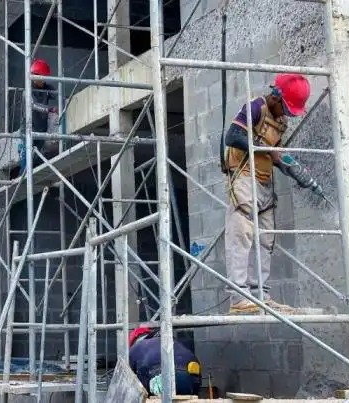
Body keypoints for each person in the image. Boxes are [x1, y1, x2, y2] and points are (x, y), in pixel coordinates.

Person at [222, 73, 311, 314]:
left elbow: (275, 155)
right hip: (243, 177)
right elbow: (232, 136)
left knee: (265, 239)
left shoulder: (280, 122)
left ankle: (261, 295)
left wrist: (294, 170)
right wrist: (267, 147)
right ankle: (239, 297)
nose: (286, 115)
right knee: (241, 235)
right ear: (276, 97)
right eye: (286, 109)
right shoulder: (255, 108)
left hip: (264, 182)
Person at [128, 326, 201, 396]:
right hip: (192, 371)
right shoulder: (170, 341)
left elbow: (127, 378)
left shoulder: (137, 346)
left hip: (160, 373)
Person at [18, 59, 58, 173]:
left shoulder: (47, 87)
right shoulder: (28, 90)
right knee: (27, 157)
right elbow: (33, 105)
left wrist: (63, 102)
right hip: (28, 128)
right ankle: (22, 178)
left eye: (45, 77)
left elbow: (59, 96)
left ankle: (30, 177)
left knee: (37, 157)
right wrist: (50, 109)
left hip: (41, 128)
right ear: (34, 76)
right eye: (41, 77)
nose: (43, 80)